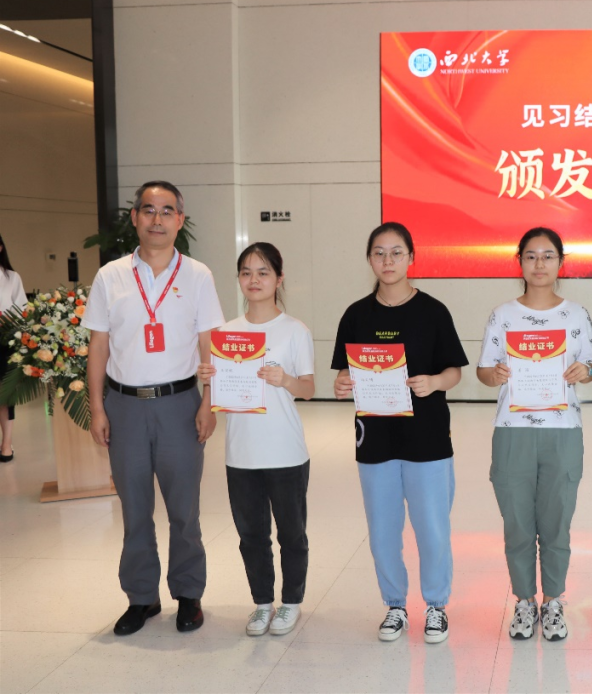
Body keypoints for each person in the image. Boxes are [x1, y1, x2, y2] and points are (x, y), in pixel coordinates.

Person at [84, 181, 225, 635]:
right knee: (134, 510)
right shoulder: (110, 276)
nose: (157, 219)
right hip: (124, 407)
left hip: (180, 404)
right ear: (135, 218)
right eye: (149, 210)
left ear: (179, 220)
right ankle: (141, 598)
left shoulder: (197, 275)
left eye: (167, 211)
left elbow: (209, 343)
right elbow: (98, 345)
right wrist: (97, 408)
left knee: (184, 510)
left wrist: (209, 402)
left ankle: (189, 593)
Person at [332, 222, 468, 644]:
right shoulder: (356, 315)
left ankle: (436, 605)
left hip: (427, 439)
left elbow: (455, 371)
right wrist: (342, 383)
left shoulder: (433, 311)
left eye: (396, 252)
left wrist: (435, 382)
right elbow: (344, 372)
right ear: (369, 259)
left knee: (432, 528)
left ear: (411, 257)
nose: (387, 260)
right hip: (375, 440)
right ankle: (394, 604)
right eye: (379, 252)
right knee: (383, 531)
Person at [477, 227, 592, 642]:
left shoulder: (577, 315)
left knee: (556, 522)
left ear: (561, 262)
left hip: (562, 431)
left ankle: (554, 601)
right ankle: (525, 601)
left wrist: (585, 370)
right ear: (520, 263)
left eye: (548, 256)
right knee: (517, 522)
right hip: (512, 431)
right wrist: (494, 375)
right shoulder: (502, 315)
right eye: (531, 256)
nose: (539, 264)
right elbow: (484, 370)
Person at [196, 243, 314, 637]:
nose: (254, 280)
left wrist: (286, 380)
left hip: (285, 450)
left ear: (279, 279)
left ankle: (291, 602)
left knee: (291, 533)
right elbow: (221, 392)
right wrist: (209, 379)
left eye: (263, 272)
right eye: (246, 272)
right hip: (241, 452)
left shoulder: (295, 330)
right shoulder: (225, 333)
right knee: (251, 536)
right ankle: (263, 603)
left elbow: (309, 389)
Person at [0, 234, 27, 463]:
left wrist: (7, 320)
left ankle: (6, 444)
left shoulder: (11, 277)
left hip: (5, 341)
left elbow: (22, 308)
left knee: (5, 394)